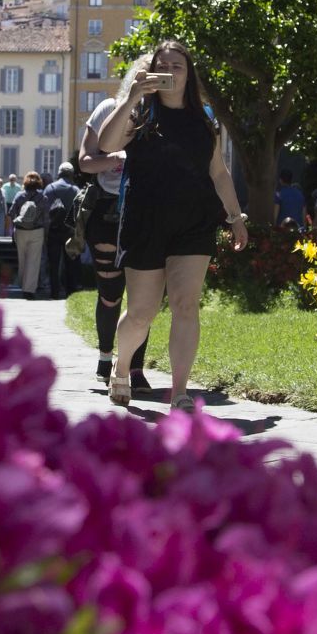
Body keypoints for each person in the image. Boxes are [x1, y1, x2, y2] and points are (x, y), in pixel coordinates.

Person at [100, 41, 248, 409]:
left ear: (189, 73)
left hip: (194, 222)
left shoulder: (204, 119)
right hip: (145, 222)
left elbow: (218, 171)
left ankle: (179, 391)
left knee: (186, 304)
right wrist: (133, 94)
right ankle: (121, 368)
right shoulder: (138, 115)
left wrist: (235, 217)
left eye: (177, 65)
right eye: (161, 65)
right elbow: (106, 143)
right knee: (141, 313)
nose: (169, 70)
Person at [78, 98, 150, 398]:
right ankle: (106, 355)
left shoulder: (160, 116)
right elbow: (85, 161)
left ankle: (134, 367)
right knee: (110, 294)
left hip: (144, 209)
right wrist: (115, 158)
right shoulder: (108, 109)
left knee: (141, 296)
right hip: (106, 211)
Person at [42, 162, 82, 298]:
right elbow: (79, 213)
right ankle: (71, 292)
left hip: (53, 230)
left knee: (53, 263)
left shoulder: (49, 188)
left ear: (58, 173)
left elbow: (45, 212)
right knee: (71, 263)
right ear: (71, 174)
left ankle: (54, 292)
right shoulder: (75, 189)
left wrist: (45, 231)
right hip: (70, 231)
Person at [11, 169, 49, 297]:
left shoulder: (19, 196)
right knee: (34, 261)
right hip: (37, 231)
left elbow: (11, 213)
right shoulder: (43, 198)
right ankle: (29, 289)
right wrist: (46, 233)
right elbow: (46, 218)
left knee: (22, 260)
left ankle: (23, 284)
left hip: (21, 230)